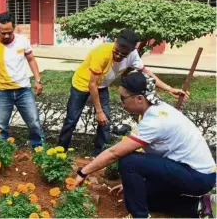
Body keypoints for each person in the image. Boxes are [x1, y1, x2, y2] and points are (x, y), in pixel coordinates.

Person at [73, 72, 216, 218]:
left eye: (123, 98)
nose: (121, 103)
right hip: (192, 172)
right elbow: (154, 157)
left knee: (128, 161)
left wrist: (83, 172)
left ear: (139, 98)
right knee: (139, 196)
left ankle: (140, 216)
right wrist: (130, 185)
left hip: (197, 176)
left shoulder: (155, 120)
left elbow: (114, 153)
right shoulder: (156, 109)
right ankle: (200, 205)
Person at [58, 29, 188, 157]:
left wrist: (170, 89)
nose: (119, 56)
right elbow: (92, 85)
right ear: (115, 41)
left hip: (102, 86)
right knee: (72, 119)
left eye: (123, 54)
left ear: (131, 50)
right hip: (82, 84)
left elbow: (146, 73)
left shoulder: (133, 55)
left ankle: (99, 155)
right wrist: (99, 111)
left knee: (105, 121)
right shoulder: (102, 53)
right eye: (117, 51)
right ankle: (60, 152)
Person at [0, 11, 44, 148]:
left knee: (34, 122)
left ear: (14, 27)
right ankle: (1, 154)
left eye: (10, 32)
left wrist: (37, 80)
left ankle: (39, 150)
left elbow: (31, 59)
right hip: (3, 92)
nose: (7, 35)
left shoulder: (22, 41)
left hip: (24, 91)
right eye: (3, 33)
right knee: (1, 126)